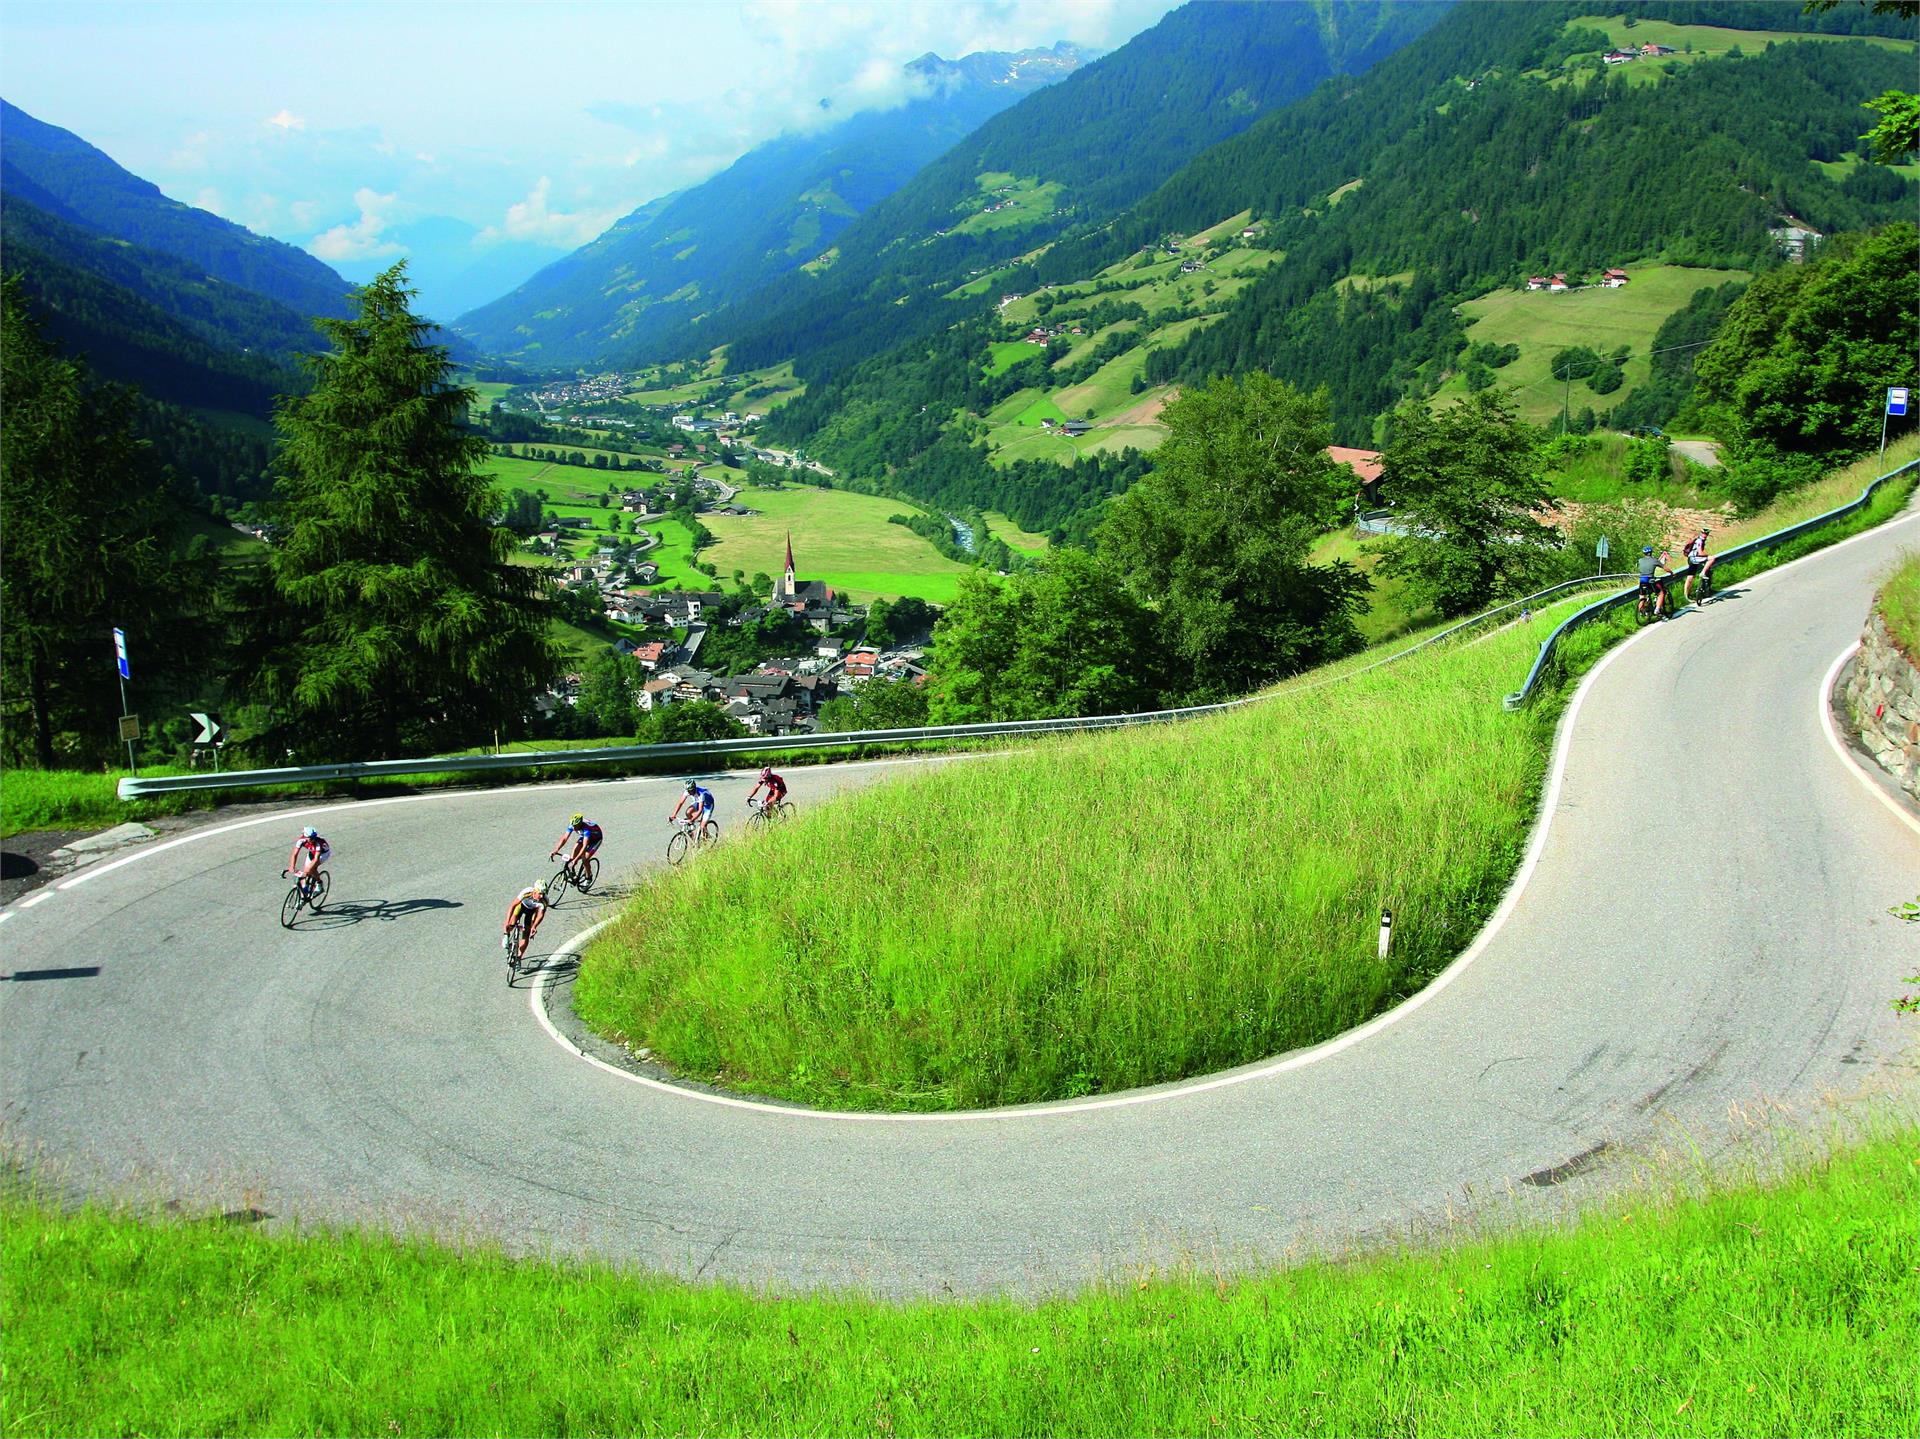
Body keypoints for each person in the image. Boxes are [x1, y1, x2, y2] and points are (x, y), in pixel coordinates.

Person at [503, 882, 549, 956]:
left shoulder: (544, 900)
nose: (541, 896)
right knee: (511, 922)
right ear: (535, 891)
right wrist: (507, 922)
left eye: (543, 894)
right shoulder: (527, 892)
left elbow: (540, 915)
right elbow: (512, 906)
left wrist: (534, 927)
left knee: (526, 934)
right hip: (521, 907)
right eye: (540, 893)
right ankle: (506, 936)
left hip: (532, 912)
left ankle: (518, 958)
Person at [284, 826, 330, 893]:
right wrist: (292, 866)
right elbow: (294, 854)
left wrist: (307, 871)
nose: (313, 840)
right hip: (312, 852)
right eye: (311, 838)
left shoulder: (318, 844)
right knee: (306, 871)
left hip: (323, 854)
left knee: (311, 869)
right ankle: (304, 892)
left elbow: (316, 859)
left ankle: (319, 883)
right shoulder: (301, 841)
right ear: (305, 837)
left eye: (314, 838)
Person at [1637, 545, 1674, 619]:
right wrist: (1672, 573)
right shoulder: (1654, 560)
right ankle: (1657, 610)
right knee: (1661, 593)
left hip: (1642, 580)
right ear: (1651, 552)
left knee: (1642, 596)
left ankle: (1641, 611)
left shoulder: (1640, 560)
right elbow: (1665, 568)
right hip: (1650, 580)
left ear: (1644, 553)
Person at [1682, 527, 1716, 602]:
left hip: (1691, 558)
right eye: (1704, 533)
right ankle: (1702, 573)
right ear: (1701, 533)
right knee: (1712, 558)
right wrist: (1708, 555)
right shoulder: (1700, 541)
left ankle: (1686, 595)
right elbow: (1700, 553)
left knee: (1690, 577)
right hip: (1695, 558)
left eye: (1706, 534)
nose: (1705, 535)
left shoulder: (1699, 540)